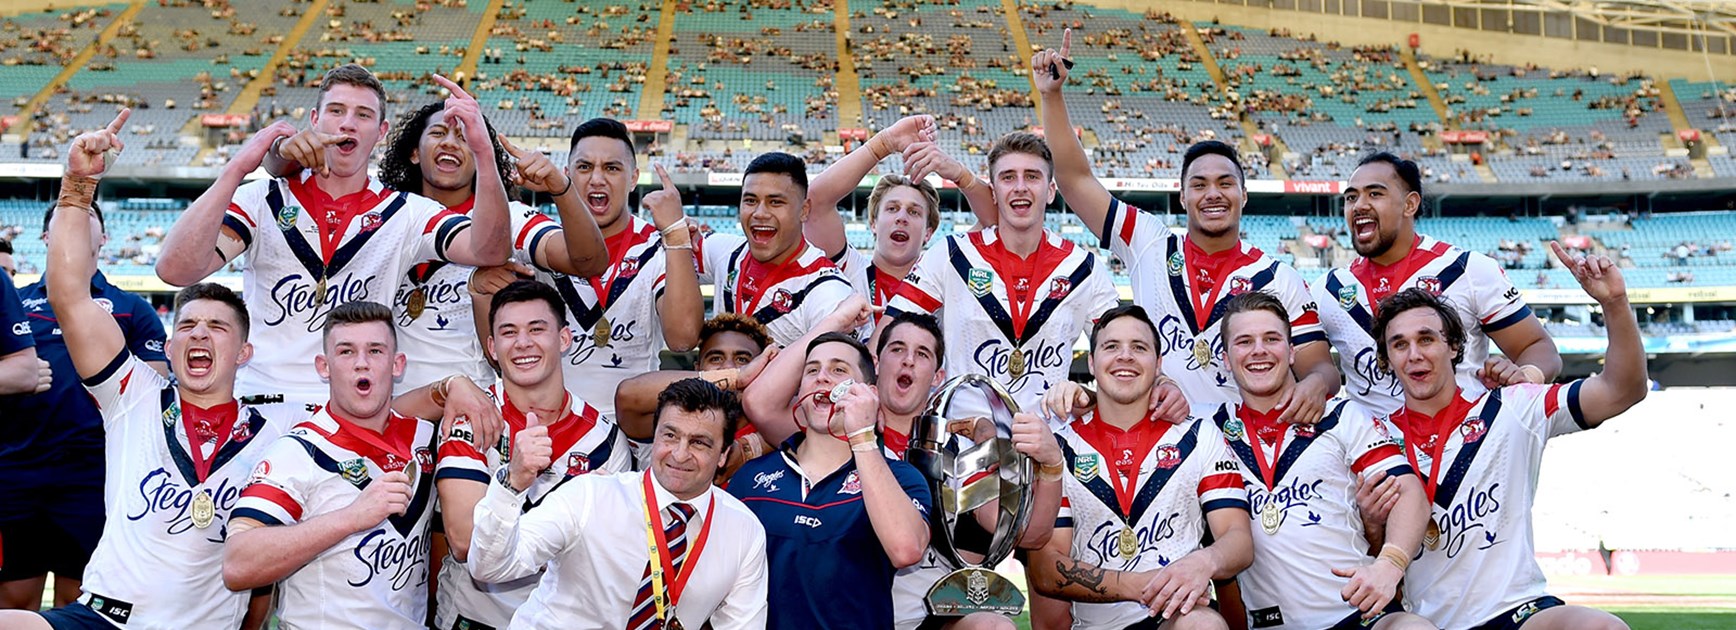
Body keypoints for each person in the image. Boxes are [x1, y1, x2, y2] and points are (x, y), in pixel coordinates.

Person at [0, 112, 284, 629]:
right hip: (103, 620)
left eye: (218, 328)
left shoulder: (275, 438)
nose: (199, 333)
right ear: (169, 347)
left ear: (245, 353)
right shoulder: (133, 395)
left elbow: (260, 586)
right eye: (189, 324)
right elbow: (69, 293)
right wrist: (78, 184)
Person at [155, 66, 512, 424]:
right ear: (314, 119)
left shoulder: (405, 212)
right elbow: (175, 269)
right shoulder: (262, 198)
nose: (348, 124)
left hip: (352, 415)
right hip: (259, 408)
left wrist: (482, 151)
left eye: (363, 115)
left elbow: (489, 250)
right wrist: (239, 166)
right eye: (336, 111)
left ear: (381, 133)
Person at [1033, 30, 1338, 424]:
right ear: (1182, 197)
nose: (1213, 194)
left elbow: (1321, 367)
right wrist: (1052, 96)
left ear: (1244, 196)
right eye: (1199, 185)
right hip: (1158, 443)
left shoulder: (1280, 279)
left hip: (1243, 451)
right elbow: (1075, 179)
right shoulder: (1148, 243)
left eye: (1225, 183)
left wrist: (1315, 383)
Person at [1370, 242, 1645, 630]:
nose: (1414, 353)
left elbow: (1623, 389)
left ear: (1454, 347)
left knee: (1603, 628)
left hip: (1517, 613)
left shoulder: (1514, 408)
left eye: (1427, 339)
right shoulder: (1372, 439)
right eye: (1399, 344)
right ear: (1386, 359)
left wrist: (1615, 303)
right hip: (1424, 620)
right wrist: (1370, 521)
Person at [223, 301, 492, 628]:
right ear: (324, 366)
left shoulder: (422, 435)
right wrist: (351, 517)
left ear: (397, 364)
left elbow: (423, 403)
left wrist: (454, 383)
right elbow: (238, 565)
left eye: (375, 351)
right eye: (346, 352)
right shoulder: (297, 451)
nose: (361, 364)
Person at [393, 279, 631, 630]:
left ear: (564, 339)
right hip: (475, 621)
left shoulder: (604, 440)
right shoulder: (472, 417)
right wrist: (533, 493)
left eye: (537, 329)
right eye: (508, 332)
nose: (522, 343)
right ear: (491, 346)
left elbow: (608, 552)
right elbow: (464, 541)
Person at [1205, 292, 1434, 630]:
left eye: (1272, 339)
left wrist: (1391, 563)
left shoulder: (1341, 414)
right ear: (1225, 358)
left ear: (1292, 350)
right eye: (1244, 341)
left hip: (1357, 616)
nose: (1259, 350)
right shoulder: (1209, 434)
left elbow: (1409, 491)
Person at [2, 154, 168, 610]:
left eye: (85, 215)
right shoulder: (12, 303)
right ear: (46, 237)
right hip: (18, 472)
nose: (74, 223)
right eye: (62, 217)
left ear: (103, 235)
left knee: (84, 602)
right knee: (14, 602)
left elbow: (153, 392)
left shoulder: (133, 309)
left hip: (96, 476)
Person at [467, 378, 769, 629]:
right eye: (670, 436)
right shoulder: (589, 496)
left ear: (725, 455)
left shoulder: (743, 531)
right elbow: (490, 567)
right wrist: (513, 483)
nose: (679, 454)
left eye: (699, 443)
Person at [1031, 305, 1253, 630]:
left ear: (1158, 364)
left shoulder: (1199, 436)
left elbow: (1238, 540)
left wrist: (1204, 561)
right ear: (1091, 362)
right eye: (1111, 347)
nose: (1125, 356)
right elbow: (1046, 568)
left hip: (1175, 617)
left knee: (1203, 625)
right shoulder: (1060, 448)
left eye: (1139, 347)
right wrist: (1140, 584)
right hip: (1096, 626)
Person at [884, 132, 1134, 418]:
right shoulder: (952, 255)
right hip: (962, 447)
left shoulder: (1084, 269)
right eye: (1007, 177)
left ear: (1050, 190)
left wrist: (1088, 395)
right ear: (993, 191)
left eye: (1032, 177)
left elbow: (1124, 353)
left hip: (1048, 448)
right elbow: (888, 336)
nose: (1020, 187)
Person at [368, 99, 607, 391]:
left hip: (472, 408)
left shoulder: (509, 220)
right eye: (438, 133)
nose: (451, 143)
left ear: (483, 155)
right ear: (415, 152)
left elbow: (589, 262)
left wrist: (560, 187)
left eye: (465, 138)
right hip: (385, 405)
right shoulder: (384, 217)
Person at [1314, 152, 1561, 415]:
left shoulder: (1466, 270)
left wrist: (1525, 376)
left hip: (1462, 448)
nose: (1359, 205)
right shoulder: (1328, 290)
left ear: (1410, 204)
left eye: (1375, 194)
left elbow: (1538, 347)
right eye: (1351, 197)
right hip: (1371, 452)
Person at [732, 330, 933, 630]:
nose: (822, 378)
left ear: (869, 393)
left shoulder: (902, 478)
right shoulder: (751, 478)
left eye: (839, 369)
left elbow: (906, 549)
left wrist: (862, 437)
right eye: (811, 370)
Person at [544, 118, 702, 418]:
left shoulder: (656, 247)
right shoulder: (544, 244)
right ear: (565, 176)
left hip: (632, 432)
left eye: (612, 168)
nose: (597, 179)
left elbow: (683, 338)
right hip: (553, 430)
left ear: (633, 178)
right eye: (584, 167)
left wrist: (677, 235)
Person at [804, 114, 994, 308]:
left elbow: (997, 223)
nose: (901, 218)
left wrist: (959, 173)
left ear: (929, 232)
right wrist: (885, 142)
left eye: (914, 212)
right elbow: (815, 203)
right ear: (874, 223)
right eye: (892, 208)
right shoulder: (850, 270)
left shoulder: (945, 277)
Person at [694, 152, 858, 346]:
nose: (760, 213)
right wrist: (676, 233)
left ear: (804, 211)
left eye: (775, 202)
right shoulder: (725, 253)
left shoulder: (828, 292)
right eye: (750, 201)